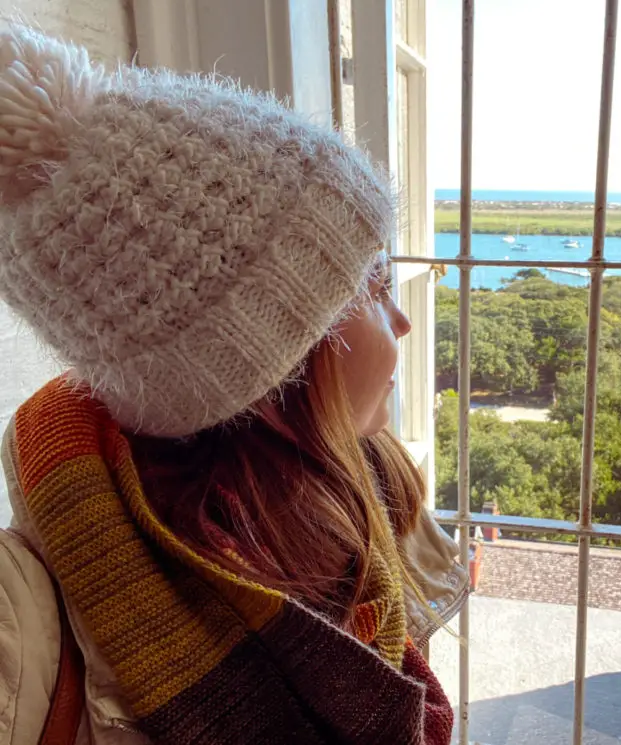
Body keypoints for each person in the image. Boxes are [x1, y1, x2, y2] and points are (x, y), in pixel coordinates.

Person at [0, 27, 466, 745]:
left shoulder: (365, 486)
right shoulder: (24, 629)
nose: (401, 321)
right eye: (373, 285)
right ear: (271, 368)